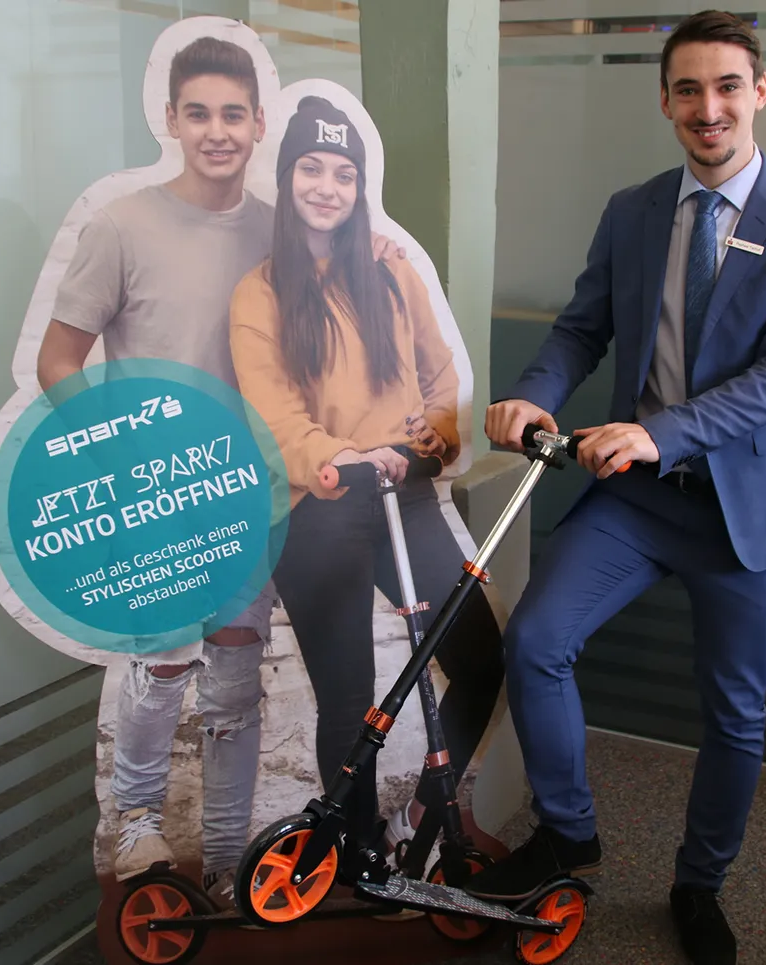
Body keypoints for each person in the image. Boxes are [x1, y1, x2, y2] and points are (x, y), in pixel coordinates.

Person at [464, 11, 766, 965]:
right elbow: (578, 330)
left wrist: (659, 430)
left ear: (760, 92)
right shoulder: (635, 210)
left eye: (728, 86)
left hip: (744, 510)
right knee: (539, 640)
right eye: (689, 89)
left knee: (735, 713)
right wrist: (532, 394)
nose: (708, 107)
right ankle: (569, 835)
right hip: (637, 502)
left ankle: (700, 886)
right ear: (666, 102)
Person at [36, 38, 402, 911]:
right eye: (197, 112)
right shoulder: (121, 225)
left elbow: (333, 319)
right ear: (170, 119)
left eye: (233, 114)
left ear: (258, 124)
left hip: (249, 496)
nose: (216, 130)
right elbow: (57, 362)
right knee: (160, 666)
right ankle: (133, 818)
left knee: (237, 682)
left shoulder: (278, 228)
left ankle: (234, 862)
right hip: (162, 495)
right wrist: (118, 452)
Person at [229, 95, 505, 869]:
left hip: (404, 496)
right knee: (349, 702)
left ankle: (426, 806)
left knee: (483, 657)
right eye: (310, 169)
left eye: (343, 174)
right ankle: (356, 857)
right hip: (318, 508)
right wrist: (341, 456)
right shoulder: (260, 291)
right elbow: (273, 410)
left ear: (358, 186)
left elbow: (439, 372)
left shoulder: (389, 270)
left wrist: (430, 437)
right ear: (286, 180)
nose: (327, 186)